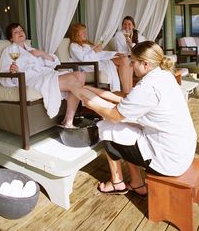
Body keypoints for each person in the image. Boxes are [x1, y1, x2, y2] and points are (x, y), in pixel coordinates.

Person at [78, 41, 197, 196]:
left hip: (169, 161)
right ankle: (136, 183)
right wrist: (95, 90)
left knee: (105, 125)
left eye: (133, 62)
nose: (131, 65)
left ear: (145, 64)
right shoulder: (164, 75)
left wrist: (89, 101)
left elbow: (114, 116)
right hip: (183, 150)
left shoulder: (147, 87)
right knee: (127, 131)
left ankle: (117, 182)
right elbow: (128, 98)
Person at [0, 23, 85, 127]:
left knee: (81, 76)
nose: (20, 33)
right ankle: (69, 121)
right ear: (11, 38)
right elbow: (4, 73)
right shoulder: (9, 51)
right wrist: (13, 72)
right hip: (30, 79)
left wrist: (42, 53)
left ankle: (67, 119)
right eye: (15, 32)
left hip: (44, 74)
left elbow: (55, 63)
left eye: (21, 30)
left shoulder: (32, 50)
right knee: (72, 80)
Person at [69, 23, 123, 93]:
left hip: (98, 63)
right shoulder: (74, 46)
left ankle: (123, 92)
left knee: (124, 59)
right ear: (76, 33)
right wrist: (94, 51)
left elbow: (99, 54)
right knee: (119, 65)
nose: (85, 34)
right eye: (83, 32)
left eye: (85, 32)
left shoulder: (86, 44)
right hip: (91, 67)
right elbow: (83, 60)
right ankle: (119, 92)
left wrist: (115, 53)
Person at [114, 16, 146, 92]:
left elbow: (142, 51)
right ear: (122, 25)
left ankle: (130, 91)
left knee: (131, 62)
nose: (127, 26)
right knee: (128, 61)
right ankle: (127, 91)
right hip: (124, 57)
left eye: (129, 24)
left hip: (136, 58)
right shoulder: (119, 35)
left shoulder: (140, 37)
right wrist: (128, 46)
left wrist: (131, 45)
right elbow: (120, 51)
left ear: (133, 26)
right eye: (124, 24)